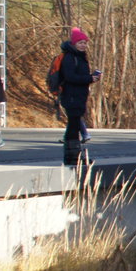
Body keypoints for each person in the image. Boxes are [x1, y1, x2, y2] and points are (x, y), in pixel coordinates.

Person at [59, 27, 100, 167]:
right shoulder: (70, 57)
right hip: (71, 96)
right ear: (74, 44)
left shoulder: (80, 57)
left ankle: (73, 156)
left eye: (85, 43)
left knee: (74, 126)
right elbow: (70, 77)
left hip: (79, 96)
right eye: (80, 43)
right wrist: (89, 78)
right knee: (73, 126)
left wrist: (91, 78)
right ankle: (73, 157)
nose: (83, 45)